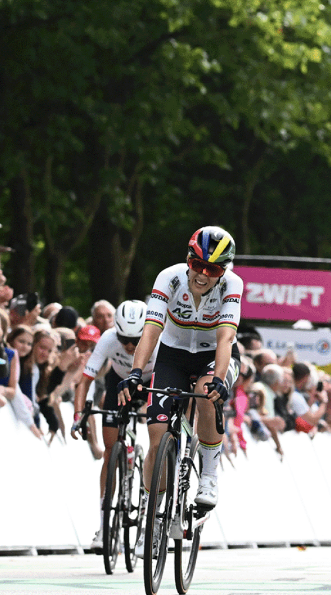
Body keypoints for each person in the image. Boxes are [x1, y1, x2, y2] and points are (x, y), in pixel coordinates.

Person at [117, 226, 243, 559]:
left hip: (214, 355)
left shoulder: (232, 285)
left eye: (212, 269)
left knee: (206, 393)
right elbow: (151, 331)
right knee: (156, 436)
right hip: (172, 354)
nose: (202, 275)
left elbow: (226, 337)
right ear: (187, 260)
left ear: (223, 270)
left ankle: (209, 476)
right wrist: (135, 373)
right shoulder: (169, 278)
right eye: (196, 264)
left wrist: (218, 379)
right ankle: (152, 517)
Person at [70, 300, 158, 551]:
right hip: (118, 383)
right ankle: (104, 526)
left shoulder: (158, 338)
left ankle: (150, 512)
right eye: (124, 339)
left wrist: (147, 408)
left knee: (157, 437)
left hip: (151, 383)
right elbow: (85, 380)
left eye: (135, 340)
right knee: (110, 453)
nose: (129, 346)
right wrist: (78, 415)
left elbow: (164, 377)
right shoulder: (108, 339)